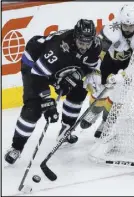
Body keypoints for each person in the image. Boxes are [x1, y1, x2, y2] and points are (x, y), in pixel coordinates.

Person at [4, 19, 102, 165]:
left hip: (59, 65)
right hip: (34, 63)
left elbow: (89, 66)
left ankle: (66, 129)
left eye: (87, 43)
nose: (84, 47)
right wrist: (47, 100)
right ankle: (16, 148)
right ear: (75, 37)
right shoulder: (58, 48)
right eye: (81, 42)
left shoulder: (95, 45)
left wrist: (82, 74)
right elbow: (38, 75)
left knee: (79, 89)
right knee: (34, 106)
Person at [80, 4, 134, 137]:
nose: (127, 29)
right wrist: (95, 71)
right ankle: (95, 110)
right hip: (110, 61)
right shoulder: (111, 29)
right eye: (125, 25)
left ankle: (107, 121)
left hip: (133, 66)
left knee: (120, 96)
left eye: (131, 26)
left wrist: (126, 74)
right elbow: (98, 52)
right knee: (98, 89)